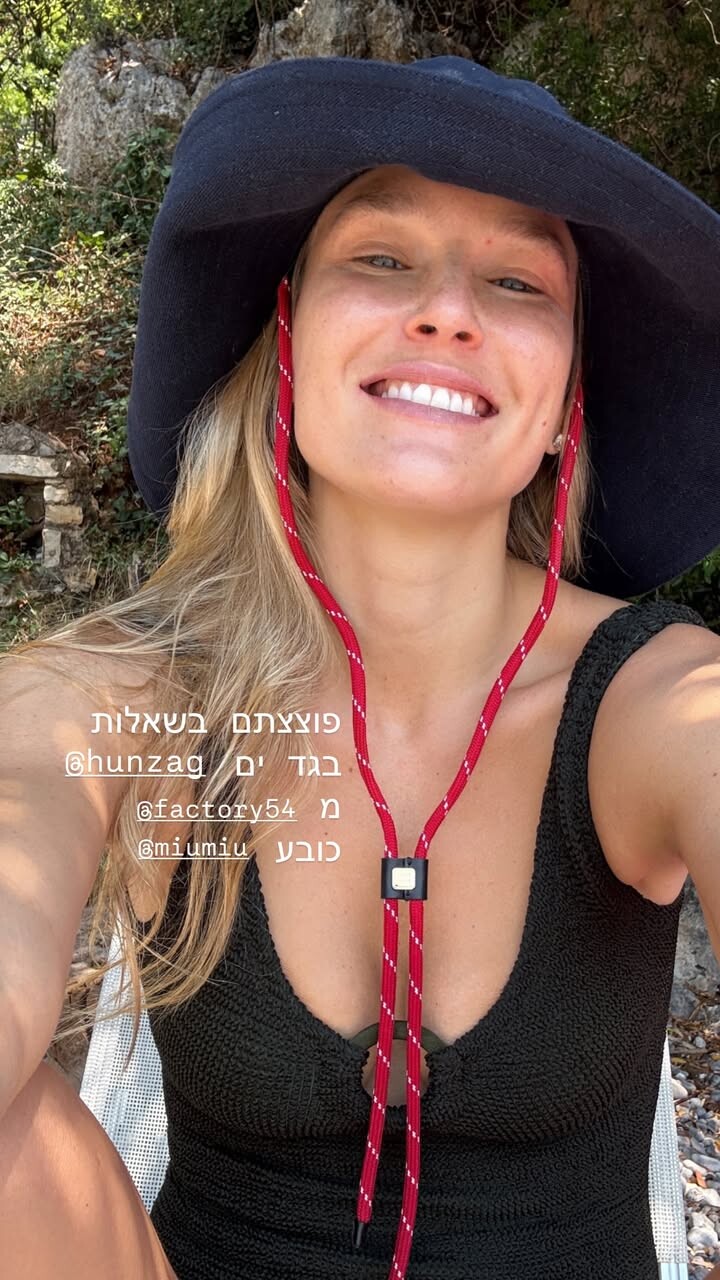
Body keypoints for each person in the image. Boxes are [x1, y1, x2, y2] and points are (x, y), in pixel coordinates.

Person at [0, 52, 719, 1280]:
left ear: (566, 404)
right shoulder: (132, 693)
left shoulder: (659, 698)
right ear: (284, 342)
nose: (448, 309)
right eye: (381, 257)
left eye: (517, 280)